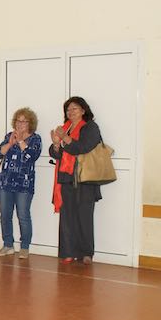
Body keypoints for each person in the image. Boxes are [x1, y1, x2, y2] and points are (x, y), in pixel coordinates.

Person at [48, 97, 104, 265]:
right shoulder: (65, 128)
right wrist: (56, 144)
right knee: (67, 218)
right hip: (66, 178)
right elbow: (56, 154)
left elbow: (82, 148)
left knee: (84, 218)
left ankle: (86, 253)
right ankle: (68, 252)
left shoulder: (90, 127)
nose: (70, 112)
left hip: (85, 179)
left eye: (74, 108)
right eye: (68, 109)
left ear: (83, 110)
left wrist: (65, 138)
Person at [0, 108, 43, 259]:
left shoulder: (35, 139)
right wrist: (10, 143)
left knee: (23, 215)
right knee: (5, 215)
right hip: (7, 182)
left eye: (24, 121)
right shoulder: (10, 136)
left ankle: (24, 247)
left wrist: (21, 141)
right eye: (18, 121)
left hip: (24, 184)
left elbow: (30, 157)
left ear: (30, 123)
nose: (20, 124)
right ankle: (8, 245)